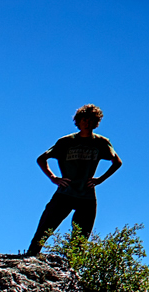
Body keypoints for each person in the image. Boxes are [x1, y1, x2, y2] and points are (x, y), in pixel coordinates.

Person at [27, 104, 122, 254]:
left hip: (87, 196)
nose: (87, 123)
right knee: (45, 229)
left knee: (80, 239)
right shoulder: (66, 141)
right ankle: (30, 257)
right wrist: (54, 178)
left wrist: (100, 179)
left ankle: (72, 270)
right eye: (84, 120)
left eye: (91, 120)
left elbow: (117, 162)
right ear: (78, 121)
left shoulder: (101, 142)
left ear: (96, 122)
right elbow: (41, 159)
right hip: (65, 193)